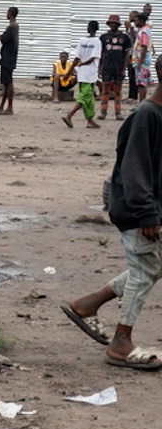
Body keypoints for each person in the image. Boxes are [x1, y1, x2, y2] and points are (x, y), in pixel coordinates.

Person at [63, 55, 162, 371]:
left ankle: (86, 305)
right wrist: (147, 213)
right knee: (145, 269)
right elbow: (135, 169)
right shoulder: (147, 115)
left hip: (146, 207)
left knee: (150, 267)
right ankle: (121, 342)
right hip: (136, 209)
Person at [62, 22, 102, 129]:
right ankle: (69, 116)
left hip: (82, 74)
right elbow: (94, 57)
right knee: (84, 98)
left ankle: (90, 120)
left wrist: (69, 71)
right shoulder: (97, 42)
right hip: (89, 74)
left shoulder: (82, 41)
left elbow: (76, 58)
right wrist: (81, 64)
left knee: (89, 99)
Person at [100, 14, 133, 120]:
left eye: (114, 23)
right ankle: (103, 112)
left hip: (119, 68)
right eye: (111, 23)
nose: (113, 25)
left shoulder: (124, 37)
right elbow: (101, 53)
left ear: (118, 24)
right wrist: (100, 68)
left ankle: (118, 112)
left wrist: (124, 69)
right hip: (107, 68)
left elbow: (127, 54)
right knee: (105, 91)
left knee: (118, 91)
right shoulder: (104, 37)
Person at [0, 7, 19, 115]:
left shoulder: (11, 28)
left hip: (7, 58)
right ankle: (2, 106)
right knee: (6, 83)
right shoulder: (15, 27)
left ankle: (9, 107)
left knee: (8, 83)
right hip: (9, 58)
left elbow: (4, 39)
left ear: (10, 13)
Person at [134, 11, 154, 103]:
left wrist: (140, 63)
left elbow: (144, 47)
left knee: (142, 83)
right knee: (141, 83)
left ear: (142, 20)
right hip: (141, 60)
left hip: (141, 61)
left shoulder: (144, 32)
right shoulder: (144, 30)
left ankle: (141, 104)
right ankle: (141, 103)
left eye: (136, 20)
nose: (135, 22)